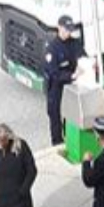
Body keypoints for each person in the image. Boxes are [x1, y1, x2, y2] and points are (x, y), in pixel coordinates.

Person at [43, 15, 85, 146]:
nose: (68, 33)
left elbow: (82, 56)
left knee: (72, 115)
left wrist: (86, 64)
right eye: (66, 29)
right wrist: (72, 76)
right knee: (55, 117)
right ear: (59, 28)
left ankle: (71, 140)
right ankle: (57, 143)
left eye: (70, 30)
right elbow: (54, 73)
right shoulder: (52, 49)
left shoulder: (74, 43)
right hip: (56, 87)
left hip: (71, 86)